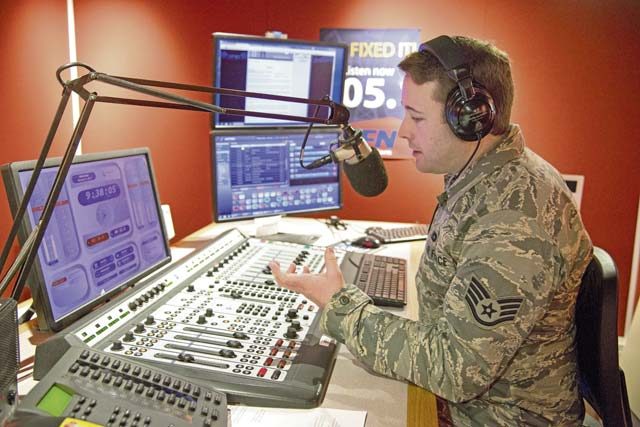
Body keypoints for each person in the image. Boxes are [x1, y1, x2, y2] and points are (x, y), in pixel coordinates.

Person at [269, 35, 593, 426]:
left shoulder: (515, 217)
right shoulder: (484, 179)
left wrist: (340, 306)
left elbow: (455, 369)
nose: (403, 132)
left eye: (417, 117)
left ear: (470, 118)